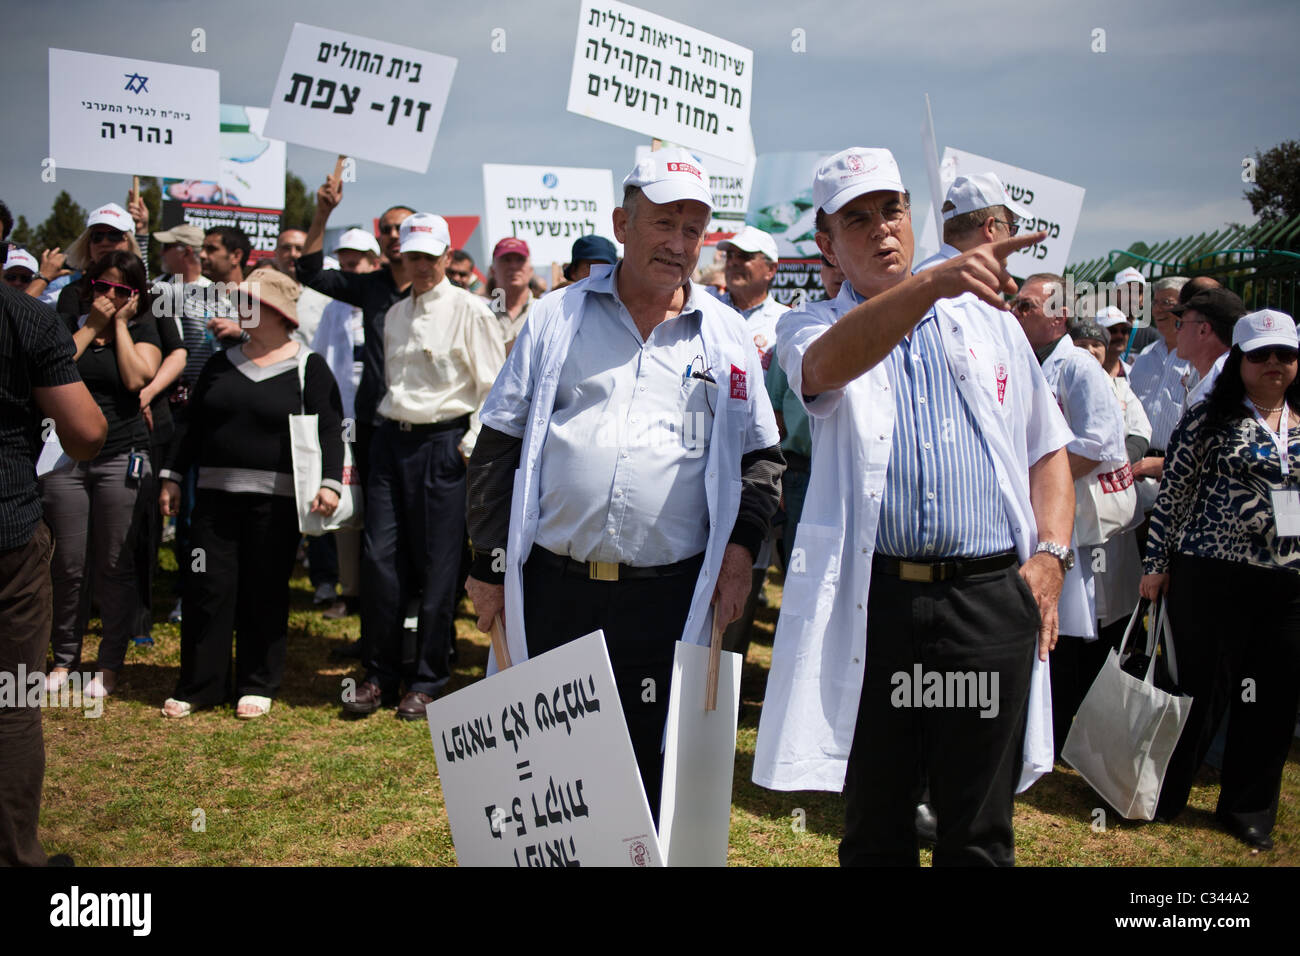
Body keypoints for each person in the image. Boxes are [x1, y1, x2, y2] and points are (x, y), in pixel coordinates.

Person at [752, 147, 1074, 867]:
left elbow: (1046, 447)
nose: (881, 230)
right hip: (879, 606)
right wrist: (931, 284)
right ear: (827, 245)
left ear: (913, 215)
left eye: (892, 210)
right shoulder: (811, 327)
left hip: (988, 601)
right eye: (856, 219)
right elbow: (828, 368)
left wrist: (1050, 556)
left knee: (979, 827)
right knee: (880, 822)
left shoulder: (989, 323)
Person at [464, 148, 783, 819]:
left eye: (694, 230)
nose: (679, 244)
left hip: (670, 598)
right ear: (622, 222)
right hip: (556, 592)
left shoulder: (726, 337)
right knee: (550, 777)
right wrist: (487, 567)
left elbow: (761, 458)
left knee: (650, 776)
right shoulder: (557, 316)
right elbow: (499, 442)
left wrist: (739, 554)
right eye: (664, 223)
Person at [1140, 309, 1300, 850]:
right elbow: (1175, 495)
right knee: (1199, 691)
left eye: (1285, 354)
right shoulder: (1209, 416)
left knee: (1271, 695)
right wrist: (1155, 567)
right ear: (1240, 359)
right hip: (1212, 573)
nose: (1274, 364)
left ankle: (1247, 807)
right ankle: (1165, 790)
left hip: (1288, 581)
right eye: (1261, 354)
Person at [158, 269, 344, 719]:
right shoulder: (221, 362)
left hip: (276, 505)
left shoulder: (308, 366)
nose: (238, 309)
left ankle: (257, 682)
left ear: (279, 314)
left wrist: (330, 483)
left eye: (250, 302)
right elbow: (192, 425)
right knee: (208, 587)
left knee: (264, 589)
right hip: (214, 500)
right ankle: (201, 684)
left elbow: (332, 429)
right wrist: (171, 476)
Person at [342, 214, 504, 720]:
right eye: (413, 256)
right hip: (393, 442)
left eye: (431, 257)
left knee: (439, 568)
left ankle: (428, 678)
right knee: (379, 560)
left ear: (449, 258)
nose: (423, 265)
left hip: (444, 444)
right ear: (401, 258)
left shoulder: (471, 311)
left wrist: (469, 444)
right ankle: (379, 674)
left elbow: (496, 388)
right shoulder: (392, 315)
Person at [0, 281, 106, 867]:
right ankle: (16, 857)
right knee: (10, 701)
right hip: (8, 532)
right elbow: (88, 433)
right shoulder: (25, 318)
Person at [41, 251, 163, 699]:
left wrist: (119, 326)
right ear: (88, 285)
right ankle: (64, 659)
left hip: (122, 455)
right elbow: (54, 366)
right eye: (102, 286)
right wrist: (91, 324)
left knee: (114, 564)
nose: (110, 296)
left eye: (124, 291)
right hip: (65, 458)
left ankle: (109, 666)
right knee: (68, 565)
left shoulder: (144, 328)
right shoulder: (69, 321)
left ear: (137, 296)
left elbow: (136, 379)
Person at [714, 225, 788, 663]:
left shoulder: (785, 322)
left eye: (747, 256)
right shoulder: (702, 311)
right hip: (704, 458)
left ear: (772, 269)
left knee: (747, 564)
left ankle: (724, 685)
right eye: (731, 255)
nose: (736, 262)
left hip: (758, 466)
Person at [310, 227, 380, 620]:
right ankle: (351, 591)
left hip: (379, 423)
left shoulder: (384, 302)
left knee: (380, 512)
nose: (351, 263)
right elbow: (320, 361)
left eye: (359, 257)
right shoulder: (334, 307)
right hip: (343, 424)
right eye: (346, 257)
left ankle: (380, 592)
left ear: (373, 261)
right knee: (347, 511)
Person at [1069, 320, 1151, 655]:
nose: (1089, 351)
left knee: (1112, 611)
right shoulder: (1055, 381)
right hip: (1071, 511)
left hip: (1111, 510)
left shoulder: (1119, 388)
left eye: (1096, 345)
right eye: (1082, 344)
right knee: (1075, 610)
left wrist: (1120, 461)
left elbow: (1140, 432)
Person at [1174, 287, 1247, 408]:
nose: (1176, 331)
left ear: (1203, 329)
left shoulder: (1228, 389)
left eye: (1180, 324)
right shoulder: (1205, 376)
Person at [487, 237, 535, 350]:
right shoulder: (482, 315)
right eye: (506, 260)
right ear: (492, 271)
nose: (513, 266)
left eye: (520, 260)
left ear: (531, 270)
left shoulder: (544, 312)